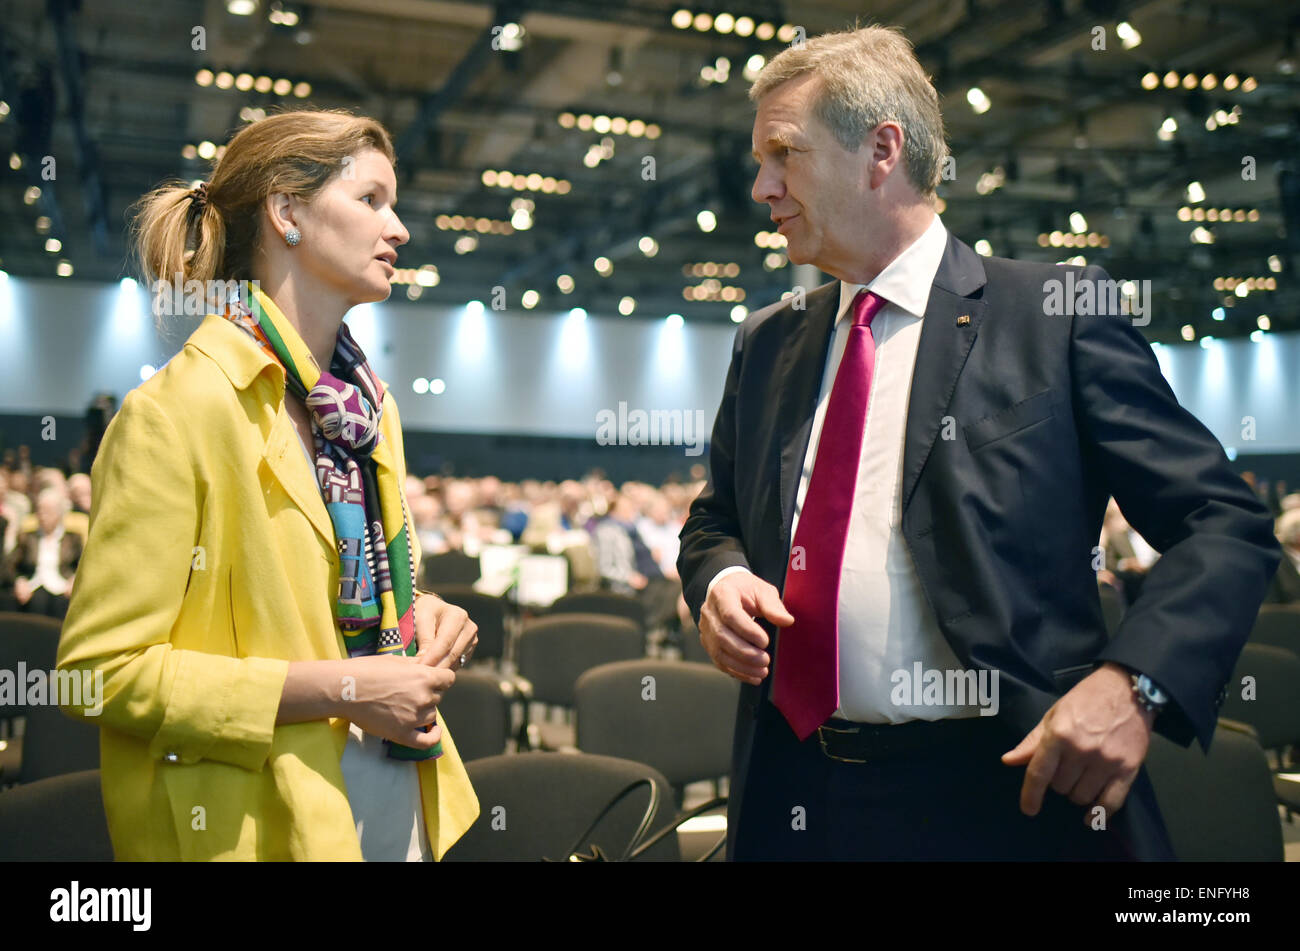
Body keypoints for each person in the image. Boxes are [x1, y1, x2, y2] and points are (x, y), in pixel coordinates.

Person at [678, 25, 1281, 861]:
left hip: (999, 797)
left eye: (784, 153)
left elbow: (1221, 523)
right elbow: (714, 522)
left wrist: (1134, 682)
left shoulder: (1053, 313)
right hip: (796, 790)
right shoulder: (770, 341)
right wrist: (722, 576)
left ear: (880, 149)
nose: (761, 186)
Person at [56, 109, 480, 861]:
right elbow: (98, 674)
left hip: (396, 796)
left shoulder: (370, 410)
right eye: (372, 200)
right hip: (252, 822)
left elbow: (326, 610)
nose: (400, 229)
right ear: (287, 212)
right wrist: (343, 689)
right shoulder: (177, 412)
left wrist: (421, 613)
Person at [4, 487, 82, 619]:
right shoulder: (27, 537)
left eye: (47, 511)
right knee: (36, 604)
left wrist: (75, 579)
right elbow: (10, 565)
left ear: (59, 513)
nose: (42, 515)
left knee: (64, 606)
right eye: (39, 510)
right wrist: (19, 581)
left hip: (62, 587)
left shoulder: (73, 538)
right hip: (33, 586)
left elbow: (82, 565)